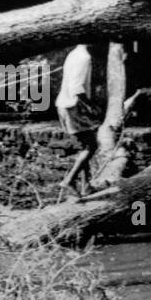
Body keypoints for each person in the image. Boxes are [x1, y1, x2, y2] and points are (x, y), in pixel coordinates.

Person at [55, 44, 102, 197]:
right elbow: (76, 87)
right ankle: (69, 180)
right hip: (73, 105)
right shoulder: (84, 57)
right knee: (92, 146)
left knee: (85, 146)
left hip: (64, 103)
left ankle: (86, 186)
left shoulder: (74, 53)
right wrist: (90, 106)